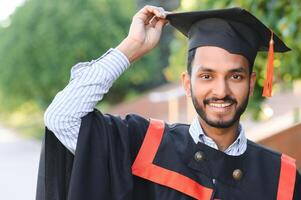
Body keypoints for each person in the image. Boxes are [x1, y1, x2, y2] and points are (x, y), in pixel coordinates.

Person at [36, 5, 301, 200]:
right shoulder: (144, 145)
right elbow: (61, 117)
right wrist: (132, 46)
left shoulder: (282, 179)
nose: (221, 90)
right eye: (207, 76)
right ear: (187, 83)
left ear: (252, 83)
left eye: (235, 76)